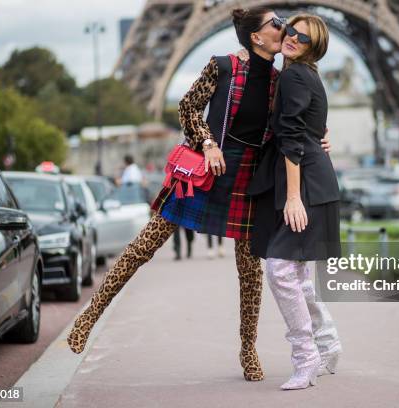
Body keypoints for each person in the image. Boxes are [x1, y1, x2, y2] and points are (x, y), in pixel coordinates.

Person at [66, 6, 331, 382]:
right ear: (256, 36)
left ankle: (248, 348)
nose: (284, 28)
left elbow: (297, 123)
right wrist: (207, 143)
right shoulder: (222, 66)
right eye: (277, 24)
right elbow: (188, 106)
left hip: (251, 178)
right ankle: (88, 318)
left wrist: (320, 139)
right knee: (144, 245)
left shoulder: (281, 80)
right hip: (207, 171)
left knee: (249, 271)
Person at [248, 14, 342, 390]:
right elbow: (307, 127)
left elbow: (292, 138)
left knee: (281, 271)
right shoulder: (305, 74)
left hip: (305, 185)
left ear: (314, 47)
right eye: (291, 30)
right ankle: (327, 342)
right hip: (316, 179)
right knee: (298, 274)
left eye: (303, 38)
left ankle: (306, 358)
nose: (293, 38)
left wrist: (292, 197)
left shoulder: (293, 74)